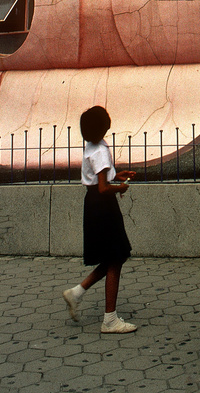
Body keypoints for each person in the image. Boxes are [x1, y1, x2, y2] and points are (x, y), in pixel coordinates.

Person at [62, 105, 137, 333]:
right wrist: (120, 187)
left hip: (93, 203)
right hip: (103, 206)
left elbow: (99, 177)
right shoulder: (101, 150)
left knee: (114, 256)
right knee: (116, 257)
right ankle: (110, 319)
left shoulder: (92, 147)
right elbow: (104, 188)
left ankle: (77, 292)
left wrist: (117, 174)